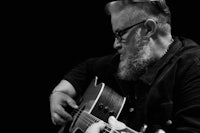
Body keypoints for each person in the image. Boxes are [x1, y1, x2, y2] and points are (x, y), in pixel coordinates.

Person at [50, 0, 200, 132]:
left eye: (120, 34)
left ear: (148, 29)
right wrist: (59, 93)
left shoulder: (193, 67)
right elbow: (86, 67)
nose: (115, 44)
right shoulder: (133, 60)